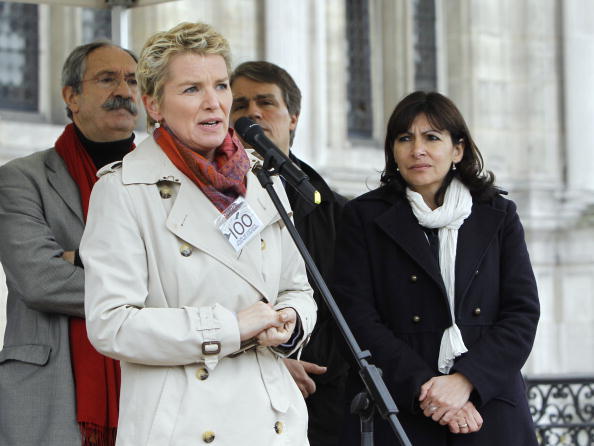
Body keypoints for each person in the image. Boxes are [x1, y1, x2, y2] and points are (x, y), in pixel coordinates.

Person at [79, 22, 317, 446]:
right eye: (191, 89)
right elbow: (111, 325)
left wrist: (292, 321)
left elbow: (298, 288)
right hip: (185, 427)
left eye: (221, 85)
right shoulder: (123, 190)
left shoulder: (263, 180)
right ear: (153, 104)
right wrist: (227, 327)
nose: (214, 103)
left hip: (274, 423)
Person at [332, 91, 540, 445]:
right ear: (392, 151)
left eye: (432, 138)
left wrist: (465, 381)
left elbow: (522, 313)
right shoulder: (364, 217)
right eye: (404, 139)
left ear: (457, 150)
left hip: (489, 405)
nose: (417, 150)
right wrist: (429, 392)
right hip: (401, 406)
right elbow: (355, 317)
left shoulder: (498, 214)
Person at [0, 42, 138, 446]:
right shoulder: (22, 179)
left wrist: (78, 259)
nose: (124, 91)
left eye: (132, 80)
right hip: (50, 390)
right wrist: (142, 287)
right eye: (107, 78)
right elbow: (39, 280)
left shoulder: (160, 183)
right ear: (71, 96)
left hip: (142, 387)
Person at [230, 61, 348, 446]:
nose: (252, 113)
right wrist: (277, 364)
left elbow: (346, 305)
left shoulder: (334, 209)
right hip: (240, 393)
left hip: (325, 397)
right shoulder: (212, 201)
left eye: (266, 102)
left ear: (293, 117)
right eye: (240, 105)